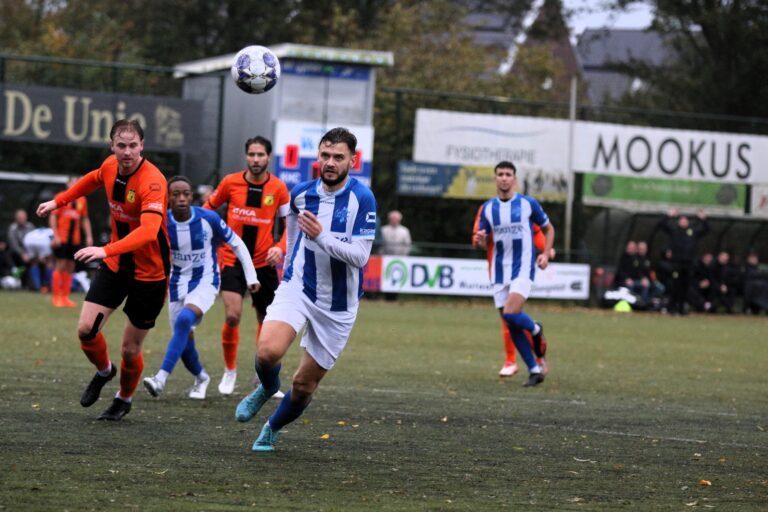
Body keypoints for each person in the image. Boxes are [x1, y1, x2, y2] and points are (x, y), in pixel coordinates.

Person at [234, 127, 377, 452]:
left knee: (302, 386)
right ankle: (267, 388)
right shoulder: (301, 193)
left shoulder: (362, 198)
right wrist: (288, 268)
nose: (329, 162)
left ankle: (272, 427)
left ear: (352, 161)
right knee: (267, 352)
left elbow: (360, 256)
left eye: (338, 157)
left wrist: (323, 236)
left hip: (338, 305)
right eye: (325, 155)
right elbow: (297, 235)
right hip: (299, 287)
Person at [36, 119, 169, 421]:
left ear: (142, 146)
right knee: (86, 330)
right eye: (121, 145)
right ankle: (104, 371)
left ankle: (124, 398)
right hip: (115, 266)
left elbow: (149, 232)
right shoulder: (110, 165)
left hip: (150, 275)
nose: (126, 152)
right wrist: (58, 202)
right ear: (112, 146)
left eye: (133, 146)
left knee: (131, 350)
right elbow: (93, 179)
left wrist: (105, 248)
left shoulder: (153, 181)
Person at [143, 176, 259, 400]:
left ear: (191, 196)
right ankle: (202, 377)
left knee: (185, 321)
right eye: (176, 194)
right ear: (168, 199)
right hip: (177, 284)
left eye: (186, 193)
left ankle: (160, 378)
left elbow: (237, 243)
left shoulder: (209, 219)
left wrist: (251, 276)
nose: (182, 198)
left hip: (206, 281)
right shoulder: (161, 223)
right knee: (184, 342)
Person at [203, 136, 290, 395]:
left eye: (260, 155)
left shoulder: (278, 188)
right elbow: (207, 211)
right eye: (251, 154)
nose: (255, 159)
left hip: (264, 263)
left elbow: (290, 227)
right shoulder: (230, 182)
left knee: (267, 319)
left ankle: (262, 376)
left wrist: (280, 247)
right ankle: (230, 371)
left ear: (268, 157)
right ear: (246, 157)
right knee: (232, 315)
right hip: (232, 260)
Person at [472, 161, 554, 387]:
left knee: (510, 314)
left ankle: (536, 329)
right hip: (498, 273)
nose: (504, 178)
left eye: (508, 174)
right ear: (495, 178)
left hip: (522, 269)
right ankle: (535, 370)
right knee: (511, 324)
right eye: (500, 174)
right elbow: (481, 239)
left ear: (514, 178)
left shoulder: (528, 204)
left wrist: (545, 253)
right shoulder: (488, 208)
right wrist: (479, 240)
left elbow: (548, 228)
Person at [49, 177, 94, 307]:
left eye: (77, 182)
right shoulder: (60, 196)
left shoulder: (82, 199)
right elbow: (53, 216)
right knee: (61, 264)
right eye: (72, 182)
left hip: (75, 239)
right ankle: (56, 297)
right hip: (62, 237)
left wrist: (89, 236)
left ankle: (65, 297)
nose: (75, 184)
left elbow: (85, 219)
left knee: (71, 266)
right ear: (67, 184)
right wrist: (55, 235)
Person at [656, 208, 709, 315]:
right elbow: (661, 224)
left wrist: (703, 219)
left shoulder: (693, 232)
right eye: (681, 220)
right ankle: (671, 308)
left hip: (688, 264)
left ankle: (681, 309)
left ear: (688, 222)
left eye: (685, 220)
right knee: (675, 286)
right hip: (676, 263)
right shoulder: (674, 231)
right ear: (678, 222)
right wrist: (668, 215)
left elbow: (707, 229)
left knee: (685, 287)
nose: (683, 222)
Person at [7, 209, 35, 288]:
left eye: (23, 217)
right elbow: (14, 245)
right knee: (14, 256)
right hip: (18, 254)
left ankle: (40, 284)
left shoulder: (30, 226)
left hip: (30, 253)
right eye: (19, 218)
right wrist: (23, 254)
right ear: (16, 218)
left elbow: (34, 242)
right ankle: (25, 284)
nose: (21, 219)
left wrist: (31, 254)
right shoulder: (13, 228)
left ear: (26, 217)